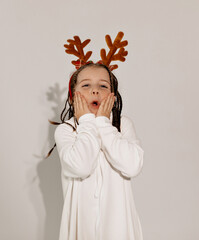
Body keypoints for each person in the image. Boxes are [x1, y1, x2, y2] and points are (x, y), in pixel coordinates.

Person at [49, 32, 144, 240]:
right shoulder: (67, 130)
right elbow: (81, 166)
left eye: (103, 85)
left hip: (119, 228)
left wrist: (102, 123)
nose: (95, 91)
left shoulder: (122, 125)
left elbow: (133, 165)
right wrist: (87, 123)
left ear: (113, 94)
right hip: (81, 229)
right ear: (73, 96)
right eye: (86, 85)